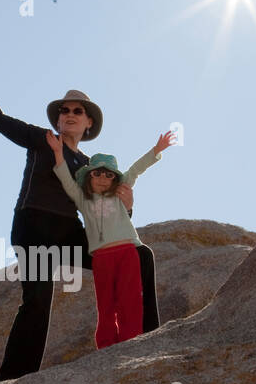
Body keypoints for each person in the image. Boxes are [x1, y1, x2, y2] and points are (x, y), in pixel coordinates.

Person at [0, 51, 160, 381]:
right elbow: (2, 122)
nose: (70, 115)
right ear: (57, 119)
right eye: (65, 111)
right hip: (34, 226)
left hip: (69, 233)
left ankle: (148, 337)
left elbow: (103, 214)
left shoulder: (93, 167)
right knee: (36, 301)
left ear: (89, 122)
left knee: (138, 255)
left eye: (78, 111)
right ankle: (14, 382)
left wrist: (129, 205)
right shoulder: (42, 139)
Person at [48, 131, 176, 348]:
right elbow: (67, 182)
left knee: (130, 300)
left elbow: (136, 169)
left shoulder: (119, 193)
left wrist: (156, 150)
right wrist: (58, 153)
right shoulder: (83, 198)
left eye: (109, 175)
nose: (103, 178)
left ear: (116, 179)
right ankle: (106, 346)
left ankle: (133, 342)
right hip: (101, 257)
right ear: (89, 176)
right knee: (106, 304)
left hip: (127, 253)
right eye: (97, 173)